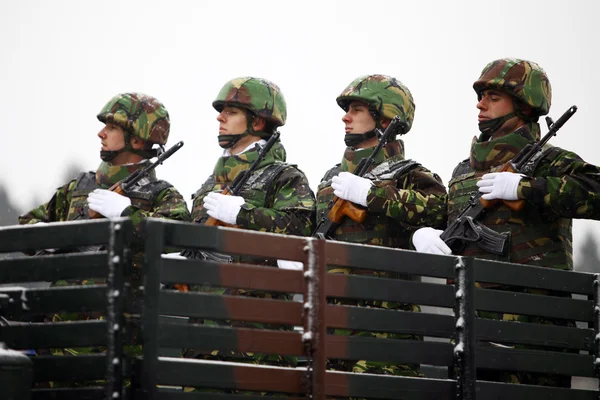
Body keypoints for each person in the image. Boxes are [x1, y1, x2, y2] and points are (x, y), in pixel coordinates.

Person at [412, 58, 600, 387]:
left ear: (525, 107)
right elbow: (451, 227)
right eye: (481, 96)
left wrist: (526, 187)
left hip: (533, 332)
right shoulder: (462, 173)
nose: (480, 104)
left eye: (493, 98)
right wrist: (428, 236)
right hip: (470, 327)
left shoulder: (550, 162)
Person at [18, 93, 191, 364]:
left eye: (112, 128)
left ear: (137, 138)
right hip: (57, 331)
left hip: (118, 339)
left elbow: (177, 236)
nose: (101, 133)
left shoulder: (161, 195)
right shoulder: (78, 188)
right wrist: (46, 236)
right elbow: (28, 223)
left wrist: (126, 214)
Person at [316, 74, 448, 377]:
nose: (345, 117)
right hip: (331, 321)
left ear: (386, 118)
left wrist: (370, 194)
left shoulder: (409, 174)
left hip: (386, 326)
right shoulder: (329, 179)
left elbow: (440, 209)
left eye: (357, 109)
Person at [184, 77, 315, 373]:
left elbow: (301, 230)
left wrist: (243, 214)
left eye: (231, 112)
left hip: (259, 341)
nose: (220, 117)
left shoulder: (284, 177)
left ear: (257, 122)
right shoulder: (210, 183)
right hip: (202, 337)